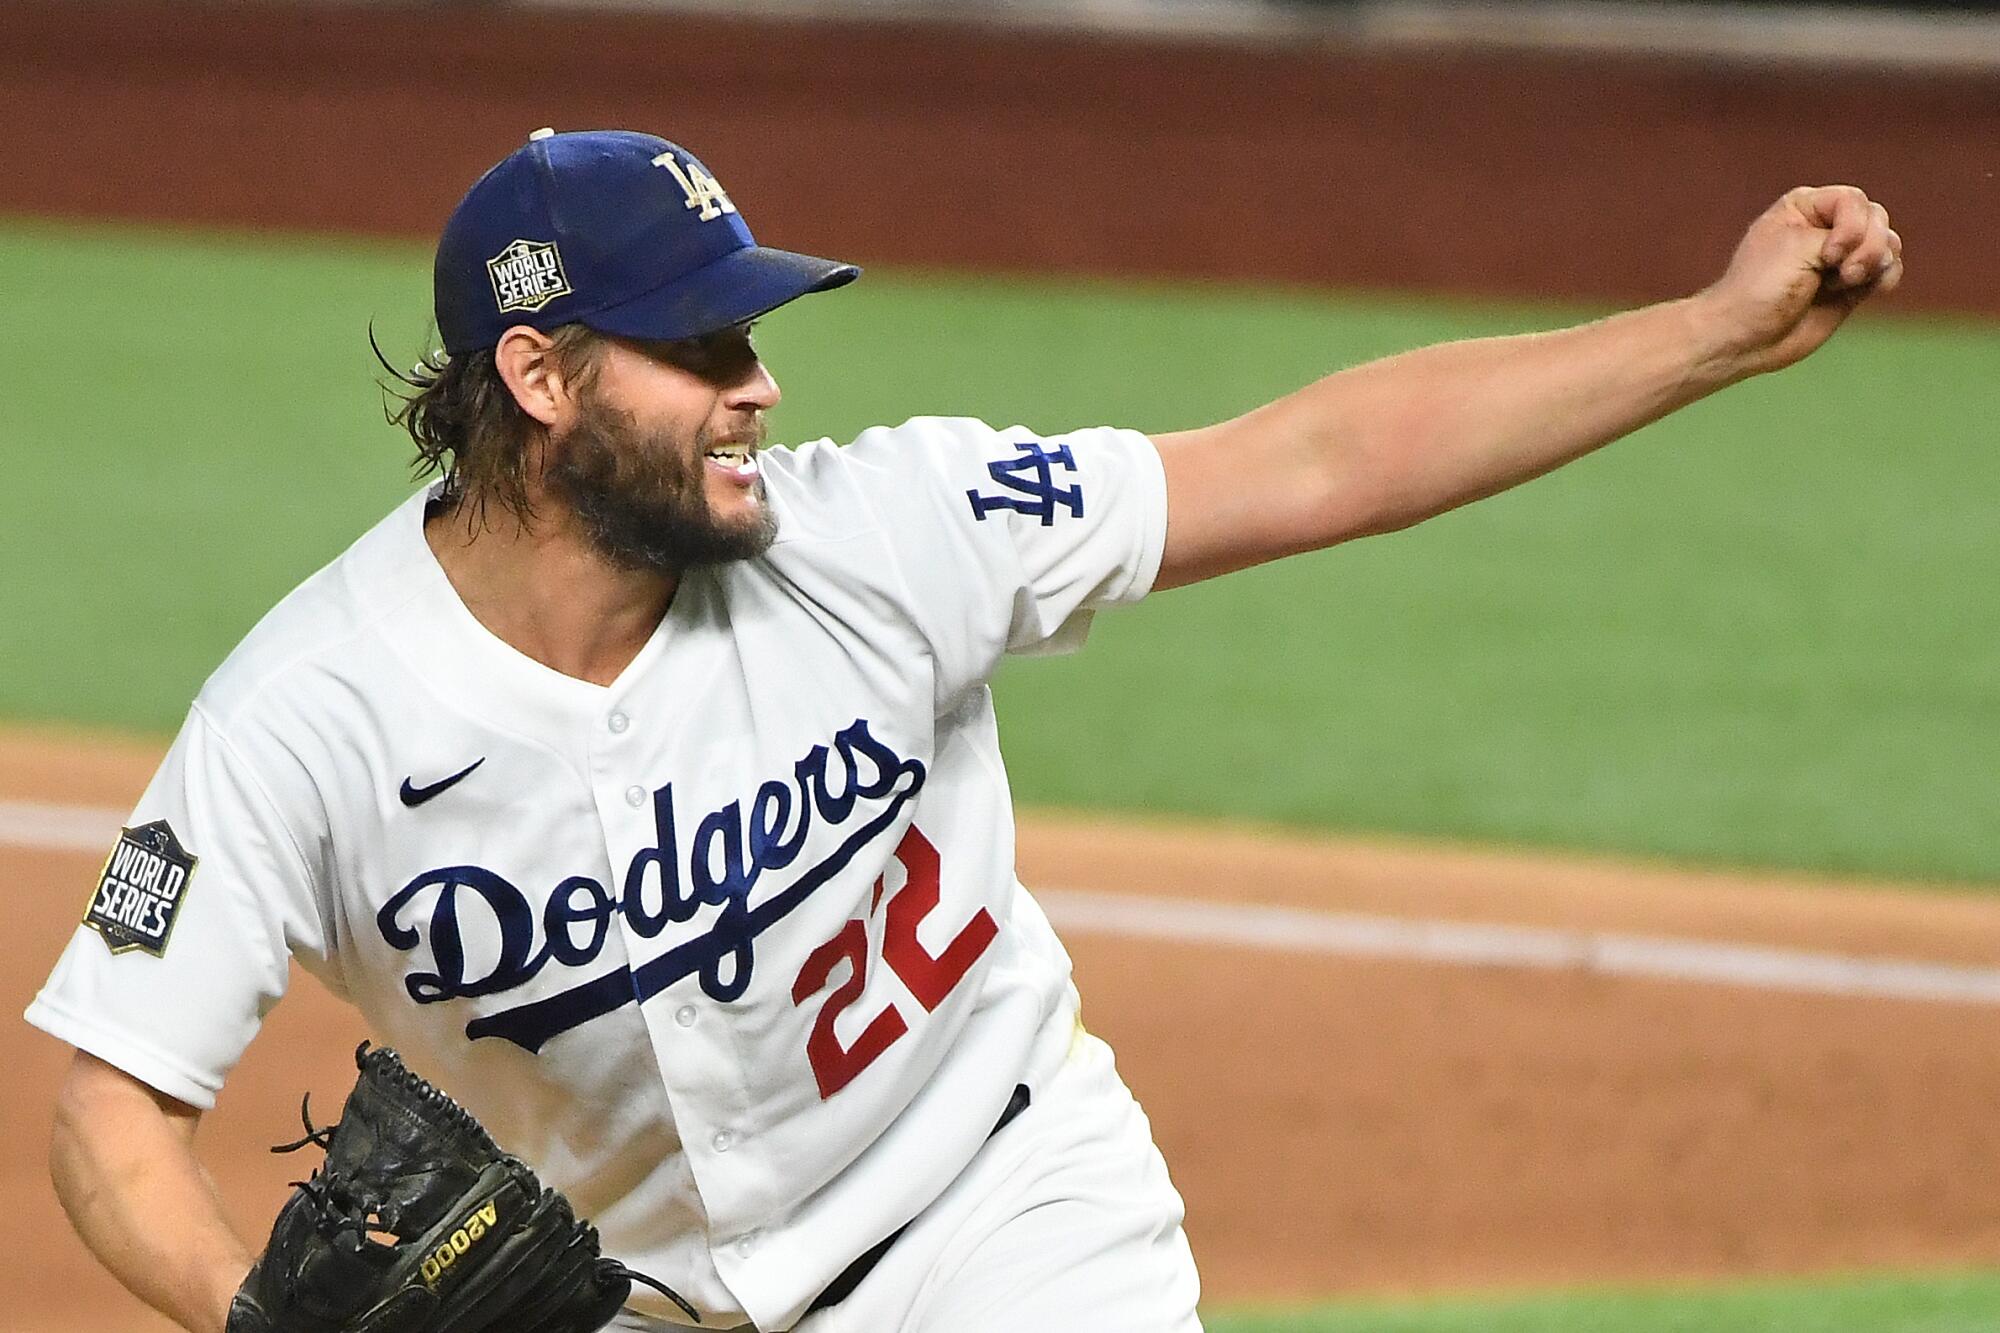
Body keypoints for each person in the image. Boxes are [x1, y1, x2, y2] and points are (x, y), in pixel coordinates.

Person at [29, 126, 1901, 1333]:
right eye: (702, 350)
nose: (761, 384)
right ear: (540, 379)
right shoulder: (311, 714)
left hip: (1012, 1222)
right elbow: (111, 1098)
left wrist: (1713, 333)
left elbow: (1315, 458)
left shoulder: (886, 528)